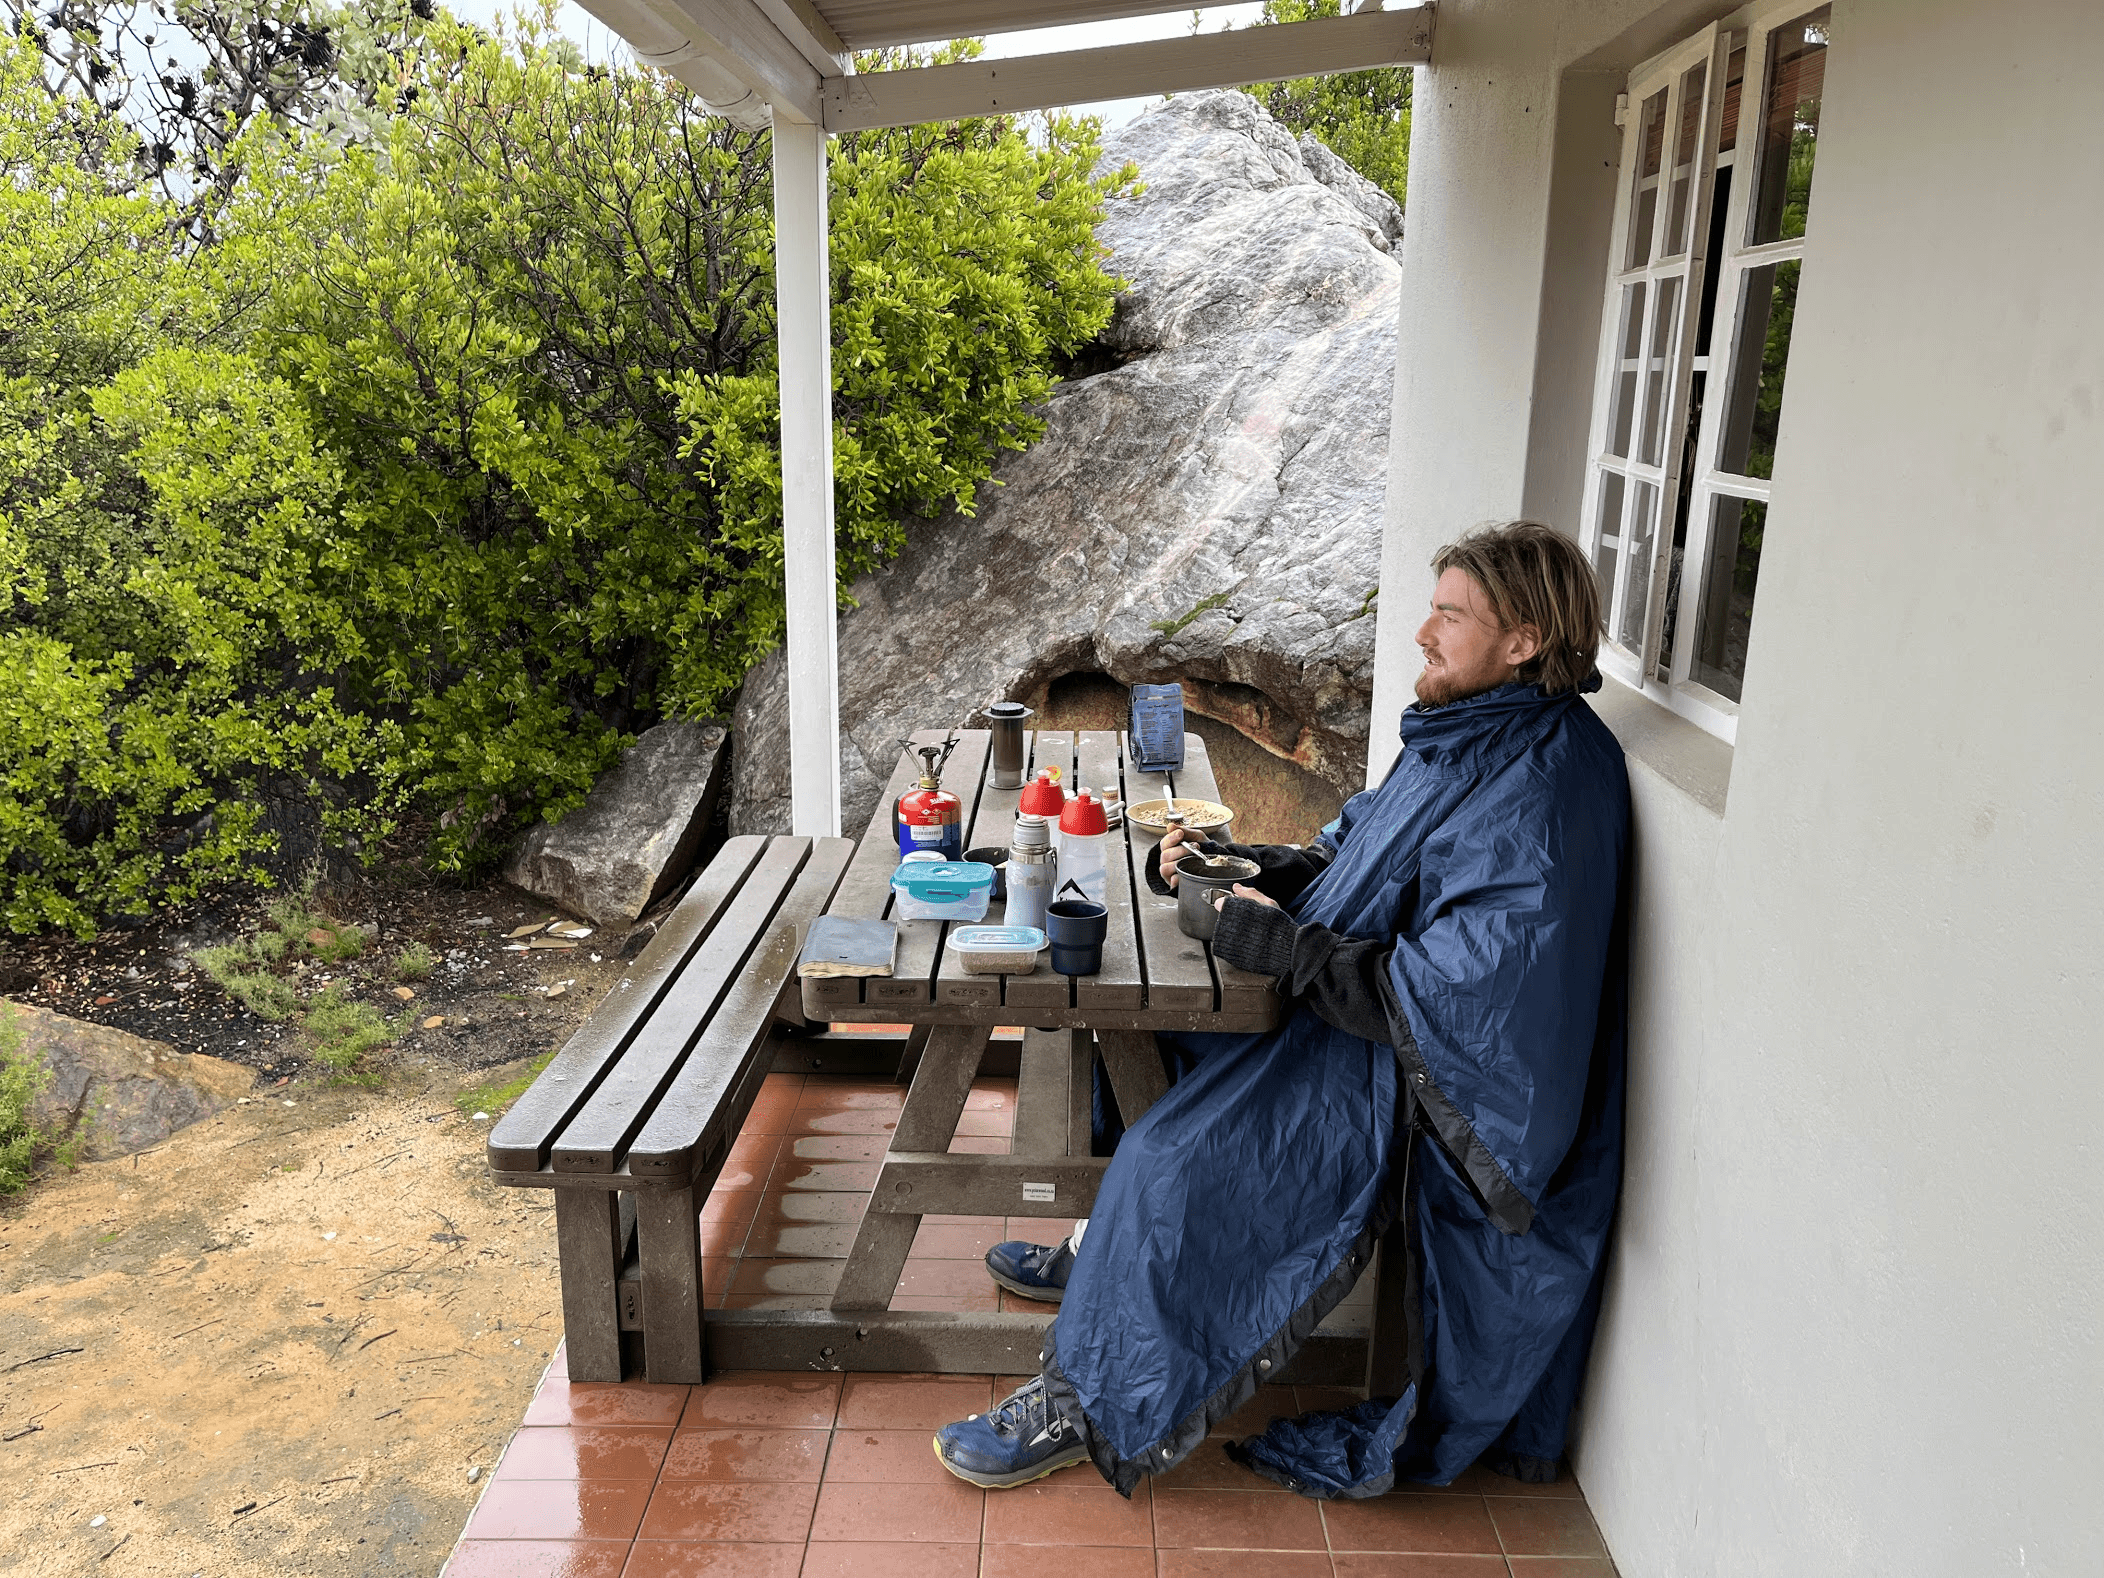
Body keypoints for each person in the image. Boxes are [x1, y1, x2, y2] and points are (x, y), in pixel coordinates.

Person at [935, 520, 1631, 1499]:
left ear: (1522, 642)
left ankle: (1086, 1401)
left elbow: (1469, 1001)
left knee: (1173, 1160)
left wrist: (1282, 945)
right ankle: (1108, 1265)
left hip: (1427, 1089)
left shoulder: (1546, 787)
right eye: (1431, 608)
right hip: (1365, 1024)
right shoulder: (1474, 731)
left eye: (1450, 615)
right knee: (1132, 1034)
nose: (1424, 633)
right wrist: (1239, 867)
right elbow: (1359, 860)